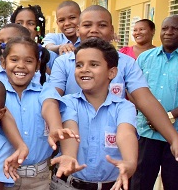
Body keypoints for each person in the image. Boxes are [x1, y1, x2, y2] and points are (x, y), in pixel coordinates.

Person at [49, 5, 178, 159]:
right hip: (73, 150)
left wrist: (173, 138)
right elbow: (51, 98)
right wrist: (55, 126)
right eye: (87, 25)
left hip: (111, 154)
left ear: (111, 30)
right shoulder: (63, 63)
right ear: (78, 30)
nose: (94, 30)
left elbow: (145, 99)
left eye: (102, 25)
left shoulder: (127, 63)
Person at [50, 38, 138, 190]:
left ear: (111, 72)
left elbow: (126, 133)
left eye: (93, 64)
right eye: (79, 65)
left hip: (112, 186)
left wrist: (130, 162)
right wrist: (70, 156)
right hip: (67, 184)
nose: (84, 69)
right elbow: (70, 129)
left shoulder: (125, 107)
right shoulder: (68, 102)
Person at [0, 37, 72, 190]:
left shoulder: (43, 86)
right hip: (1, 172)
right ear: (3, 63)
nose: (21, 66)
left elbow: (49, 104)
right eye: (14, 60)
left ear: (37, 65)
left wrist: (55, 127)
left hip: (39, 177)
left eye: (29, 61)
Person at [132, 15, 178, 189]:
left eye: (175, 29)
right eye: (165, 28)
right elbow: (133, 89)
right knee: (140, 183)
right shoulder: (145, 58)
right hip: (146, 133)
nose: (169, 32)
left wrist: (167, 116)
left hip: (175, 136)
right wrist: (148, 113)